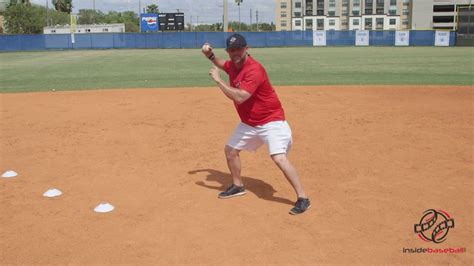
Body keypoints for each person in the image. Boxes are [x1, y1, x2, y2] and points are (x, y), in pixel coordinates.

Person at [201, 33, 311, 215]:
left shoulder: (254, 69)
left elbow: (240, 96)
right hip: (250, 123)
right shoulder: (234, 64)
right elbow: (222, 64)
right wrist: (210, 56)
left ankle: (303, 198)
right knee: (230, 151)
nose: (235, 53)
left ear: (247, 49)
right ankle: (238, 186)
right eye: (231, 50)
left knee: (279, 157)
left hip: (271, 121)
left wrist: (219, 81)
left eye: (238, 49)